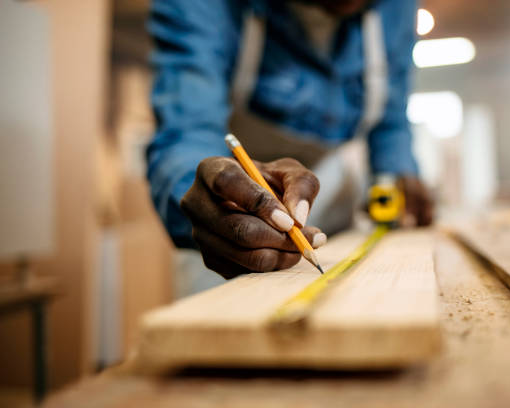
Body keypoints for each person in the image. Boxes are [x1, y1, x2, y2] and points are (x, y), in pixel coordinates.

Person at [147, 0, 433, 279]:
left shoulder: (398, 6)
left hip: (334, 211)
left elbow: (389, 115)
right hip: (233, 221)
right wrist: (207, 196)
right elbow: (187, 131)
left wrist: (397, 173)